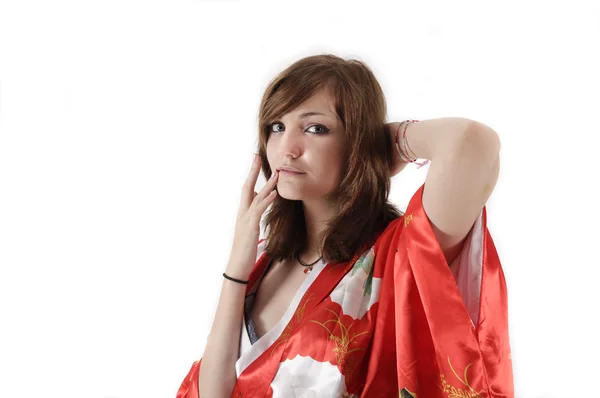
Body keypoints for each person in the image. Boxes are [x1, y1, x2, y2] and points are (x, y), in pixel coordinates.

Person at [176, 54, 513, 397]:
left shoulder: (396, 256)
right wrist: (237, 268)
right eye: (277, 126)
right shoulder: (263, 257)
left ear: (356, 142)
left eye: (315, 128)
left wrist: (379, 147)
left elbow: (471, 141)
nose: (286, 149)